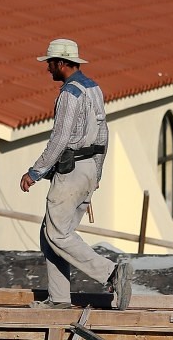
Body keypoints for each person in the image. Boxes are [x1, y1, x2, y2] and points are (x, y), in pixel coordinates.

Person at [20, 38, 132, 310]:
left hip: (70, 172)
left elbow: (59, 140)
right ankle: (59, 299)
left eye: (50, 63)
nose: (48, 68)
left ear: (61, 63)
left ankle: (111, 273)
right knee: (53, 235)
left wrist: (34, 173)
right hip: (88, 169)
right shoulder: (93, 88)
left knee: (57, 235)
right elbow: (103, 133)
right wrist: (97, 172)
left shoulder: (70, 94)